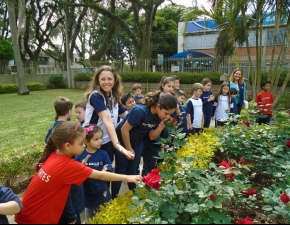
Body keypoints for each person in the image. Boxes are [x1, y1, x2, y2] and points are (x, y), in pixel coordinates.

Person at [14, 121, 142, 224]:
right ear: (67, 146)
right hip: (35, 218)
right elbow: (101, 175)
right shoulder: (68, 165)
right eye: (81, 143)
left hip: (26, 211)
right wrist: (127, 177)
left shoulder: (54, 153)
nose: (84, 146)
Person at [112, 92, 178, 199]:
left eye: (170, 114)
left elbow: (152, 136)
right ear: (158, 107)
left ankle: (135, 196)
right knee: (120, 171)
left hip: (137, 143)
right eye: (166, 113)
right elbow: (124, 129)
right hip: (123, 143)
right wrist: (128, 149)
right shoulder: (140, 111)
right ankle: (113, 199)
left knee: (132, 171)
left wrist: (161, 126)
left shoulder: (158, 116)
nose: (168, 116)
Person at [83, 65, 135, 165]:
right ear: (98, 81)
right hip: (92, 140)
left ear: (115, 80)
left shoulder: (114, 95)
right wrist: (117, 144)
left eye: (110, 79)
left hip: (107, 140)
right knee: (93, 171)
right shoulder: (96, 96)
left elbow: (124, 115)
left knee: (107, 169)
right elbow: (106, 119)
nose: (106, 82)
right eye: (103, 79)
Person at [75, 125, 112, 223]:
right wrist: (81, 165)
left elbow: (109, 165)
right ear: (86, 142)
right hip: (87, 191)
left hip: (101, 189)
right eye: (96, 139)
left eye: (101, 138)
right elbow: (75, 169)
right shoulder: (80, 155)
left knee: (104, 211)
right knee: (89, 214)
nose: (100, 141)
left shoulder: (103, 154)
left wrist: (106, 170)